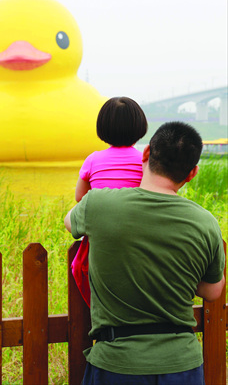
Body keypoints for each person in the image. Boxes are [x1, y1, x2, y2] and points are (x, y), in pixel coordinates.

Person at [65, 121, 225, 385]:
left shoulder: (100, 204)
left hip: (117, 362)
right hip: (181, 365)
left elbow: (70, 222)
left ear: (147, 153)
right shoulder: (205, 222)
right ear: (192, 173)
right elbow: (212, 291)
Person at [72, 97, 148, 306]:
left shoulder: (93, 159)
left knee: (81, 267)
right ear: (140, 127)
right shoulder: (144, 160)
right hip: (136, 231)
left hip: (102, 231)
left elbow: (80, 197)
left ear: (103, 128)